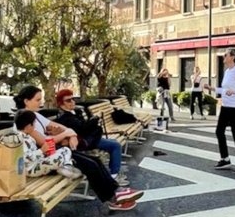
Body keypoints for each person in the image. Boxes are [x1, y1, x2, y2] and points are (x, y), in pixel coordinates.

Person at [12, 86, 141, 210]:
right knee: (90, 165)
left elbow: (57, 126)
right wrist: (66, 134)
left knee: (95, 160)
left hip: (56, 152)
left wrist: (71, 133)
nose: (41, 103)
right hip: (46, 159)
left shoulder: (35, 115)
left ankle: (118, 191)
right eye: (38, 100)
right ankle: (114, 200)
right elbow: (44, 141)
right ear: (26, 101)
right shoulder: (24, 119)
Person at [54, 88, 125, 182]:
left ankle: (113, 172)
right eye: (68, 100)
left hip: (87, 139)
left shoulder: (72, 112)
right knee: (115, 145)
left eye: (73, 99)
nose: (72, 102)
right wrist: (94, 120)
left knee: (114, 143)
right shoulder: (65, 117)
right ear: (61, 103)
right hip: (84, 142)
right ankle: (114, 176)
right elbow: (81, 130)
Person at [208, 47, 235, 172]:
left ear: (232, 57)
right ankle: (225, 159)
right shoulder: (227, 71)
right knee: (219, 131)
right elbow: (225, 90)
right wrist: (212, 89)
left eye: (226, 55)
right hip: (226, 106)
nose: (223, 56)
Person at [14, 109, 78, 179]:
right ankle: (65, 167)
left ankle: (67, 166)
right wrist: (41, 151)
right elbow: (25, 159)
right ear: (28, 126)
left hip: (39, 161)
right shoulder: (21, 139)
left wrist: (45, 153)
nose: (35, 126)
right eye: (34, 123)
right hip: (32, 168)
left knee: (65, 149)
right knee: (56, 158)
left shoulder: (28, 136)